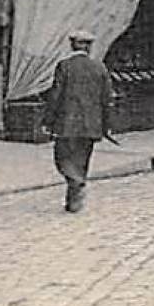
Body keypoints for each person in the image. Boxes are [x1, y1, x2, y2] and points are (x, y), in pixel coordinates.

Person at [40, 29, 114, 213]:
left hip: (67, 123)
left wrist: (48, 121)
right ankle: (74, 198)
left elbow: (56, 96)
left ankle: (76, 186)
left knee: (63, 158)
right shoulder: (99, 67)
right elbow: (107, 99)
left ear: (73, 44)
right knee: (82, 160)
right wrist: (107, 125)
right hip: (91, 124)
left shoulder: (64, 66)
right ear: (89, 47)